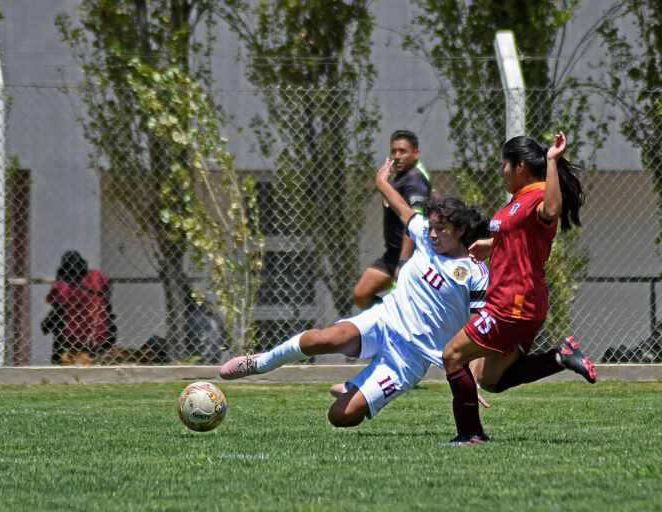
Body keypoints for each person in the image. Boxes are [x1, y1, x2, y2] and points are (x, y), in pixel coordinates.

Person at [220, 157, 489, 428]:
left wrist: (473, 382)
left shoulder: (474, 272)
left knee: (340, 417)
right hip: (385, 320)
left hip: (410, 359)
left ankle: (355, 386)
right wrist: (381, 182)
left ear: (461, 230)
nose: (432, 234)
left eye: (441, 229)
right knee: (325, 339)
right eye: (431, 227)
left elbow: (478, 332)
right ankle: (260, 362)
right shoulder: (423, 234)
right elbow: (402, 208)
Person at [441, 132, 597, 445]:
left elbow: (551, 210)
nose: (501, 172)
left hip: (512, 304)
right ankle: (559, 357)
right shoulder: (519, 199)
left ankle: (470, 434)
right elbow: (521, 237)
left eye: (504, 166)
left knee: (453, 354)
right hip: (522, 303)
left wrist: (552, 160)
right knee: (490, 378)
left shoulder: (539, 196)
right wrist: (491, 243)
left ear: (520, 166)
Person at [352, 130, 432, 309]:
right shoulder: (404, 177)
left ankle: (394, 323)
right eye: (394, 151)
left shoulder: (414, 182)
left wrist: (403, 263)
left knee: (407, 306)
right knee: (361, 294)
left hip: (409, 255)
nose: (397, 156)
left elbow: (415, 224)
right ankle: (388, 321)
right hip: (393, 254)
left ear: (416, 154)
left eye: (403, 151)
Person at [45, 250, 115, 365]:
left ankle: (58, 358)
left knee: (57, 319)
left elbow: (51, 300)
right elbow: (108, 287)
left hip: (72, 336)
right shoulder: (96, 276)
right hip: (101, 333)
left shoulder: (61, 286)